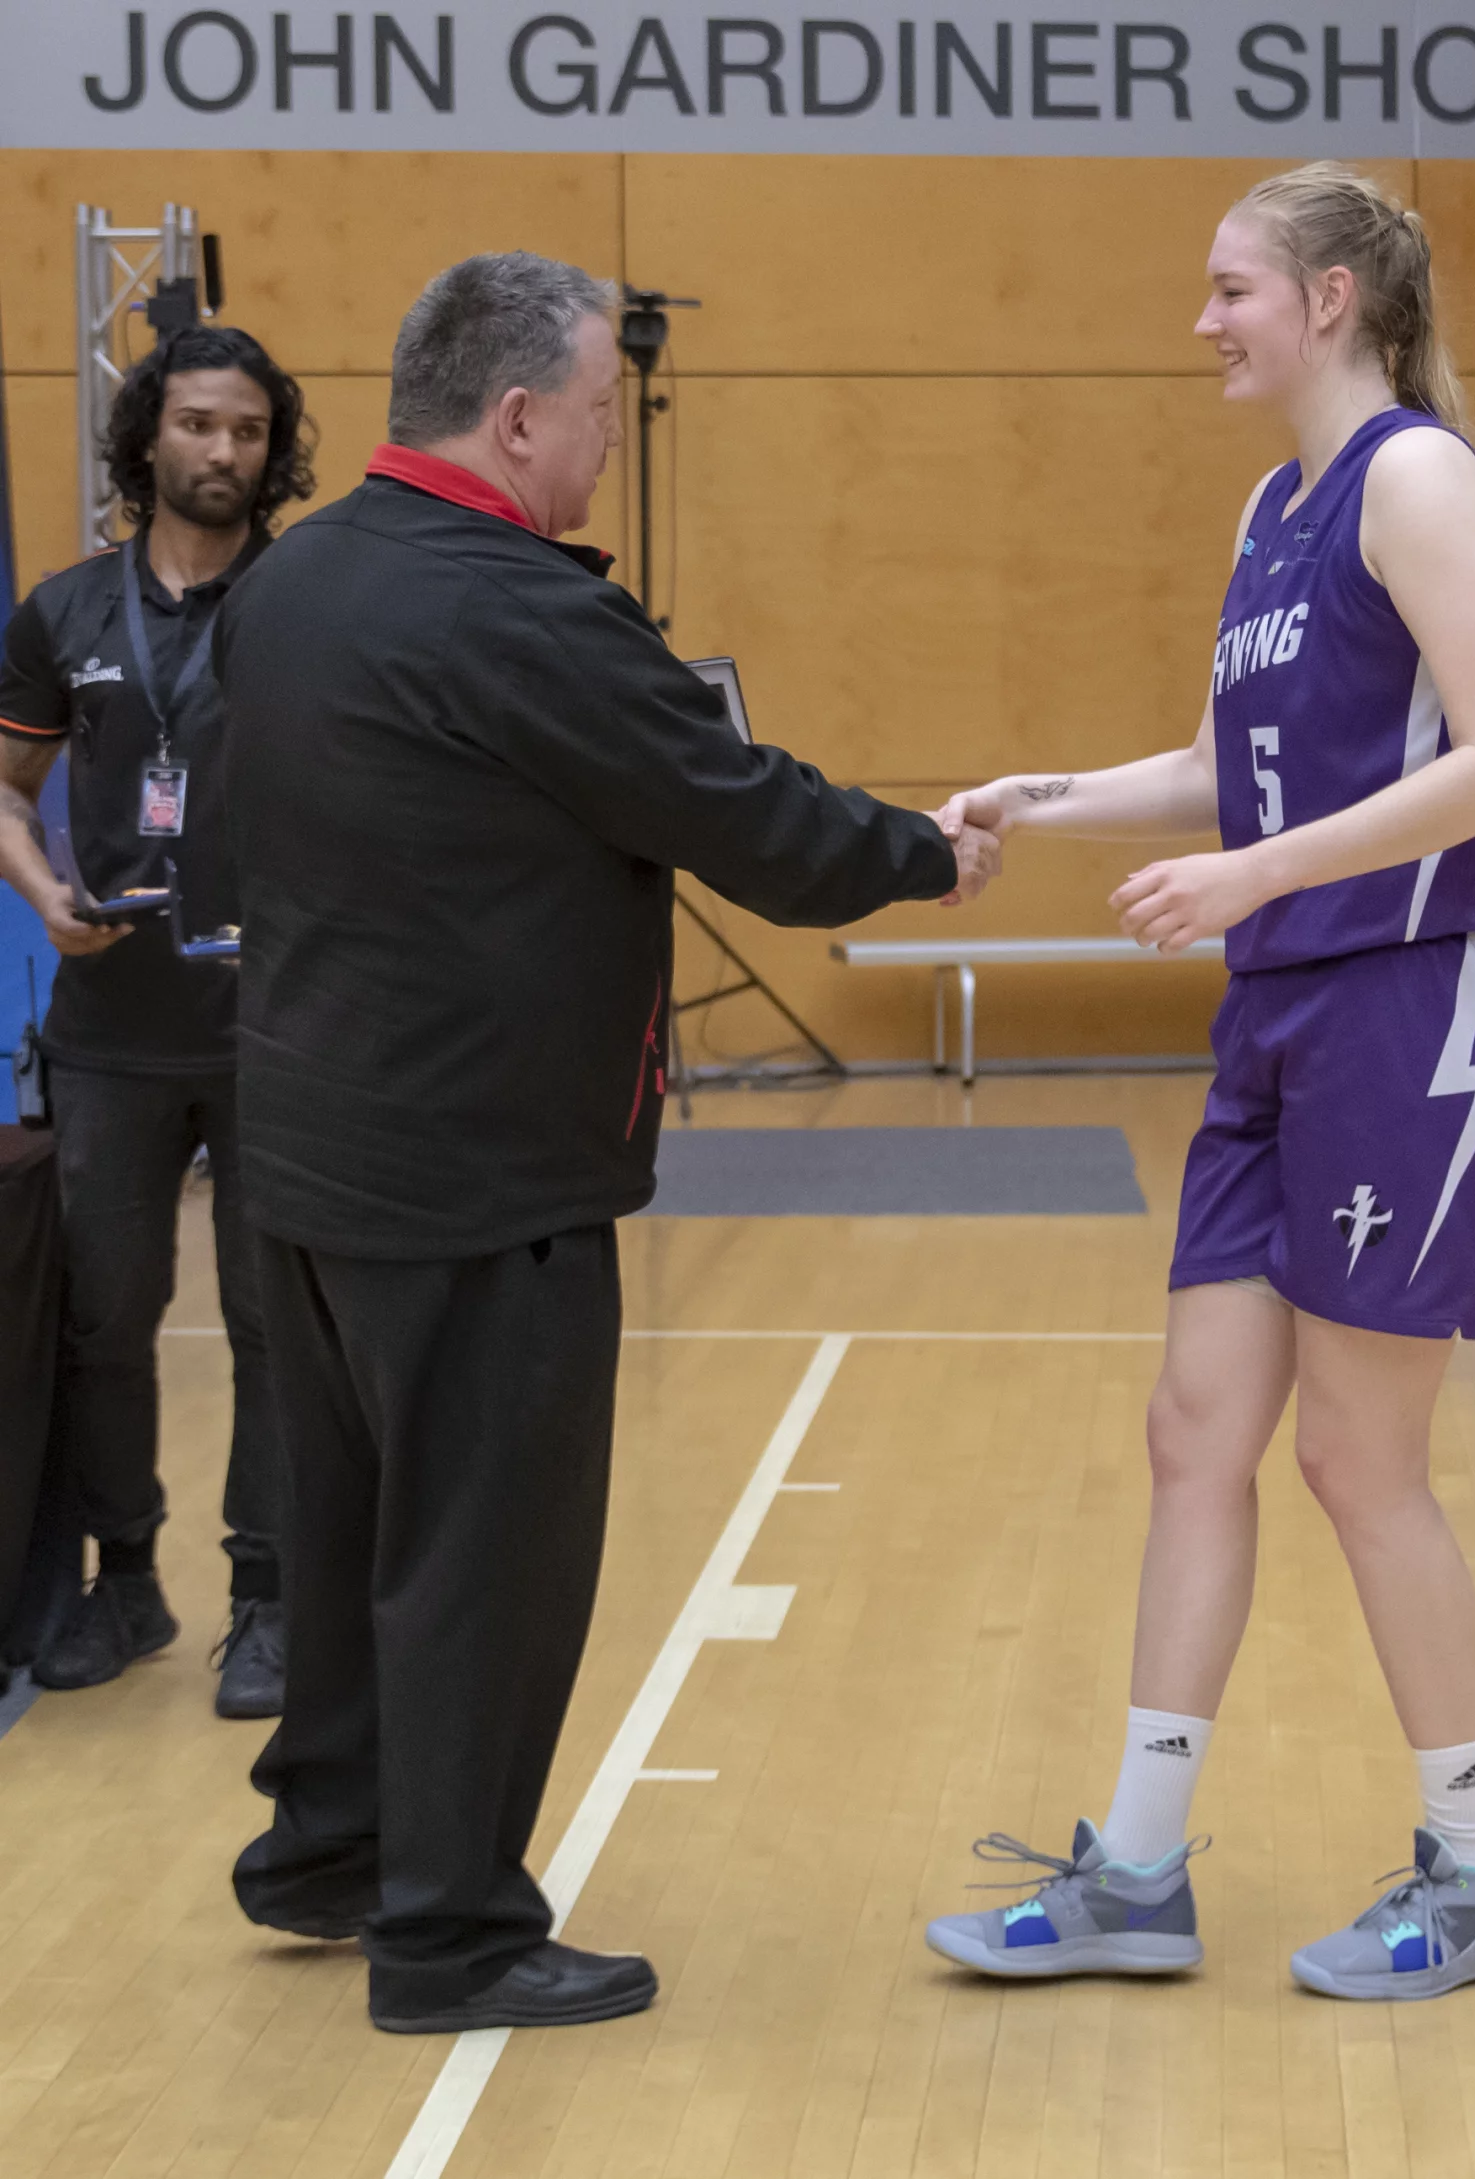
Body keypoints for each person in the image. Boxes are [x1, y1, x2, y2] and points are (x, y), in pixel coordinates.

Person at [214, 253, 1000, 2036]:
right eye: (587, 416)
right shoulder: (524, 610)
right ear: (513, 417)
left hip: (308, 1152)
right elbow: (749, 821)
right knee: (486, 1549)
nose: (595, 452)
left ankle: (332, 1848)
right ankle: (455, 1932)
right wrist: (927, 853)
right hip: (483, 1171)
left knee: (344, 1534)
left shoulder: (299, 578)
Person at [923, 162, 1475, 2000]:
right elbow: (1235, 763)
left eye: (1230, 289)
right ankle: (1133, 1866)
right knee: (1199, 1431)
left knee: (1363, 1452)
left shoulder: (1416, 476)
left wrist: (1265, 874)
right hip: (1282, 1010)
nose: (1202, 320)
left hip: (1414, 1002)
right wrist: (1047, 798)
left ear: (1335, 297)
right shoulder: (1273, 512)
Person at [0, 327, 311, 1716]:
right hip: (112, 1027)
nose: (224, 452)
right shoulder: (63, 613)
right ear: (147, 439)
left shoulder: (308, 604)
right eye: (198, 424)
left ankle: (271, 1600)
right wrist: (46, 892)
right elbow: (7, 792)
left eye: (247, 430)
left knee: (276, 1324)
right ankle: (123, 1575)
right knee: (105, 1321)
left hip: (282, 1031)